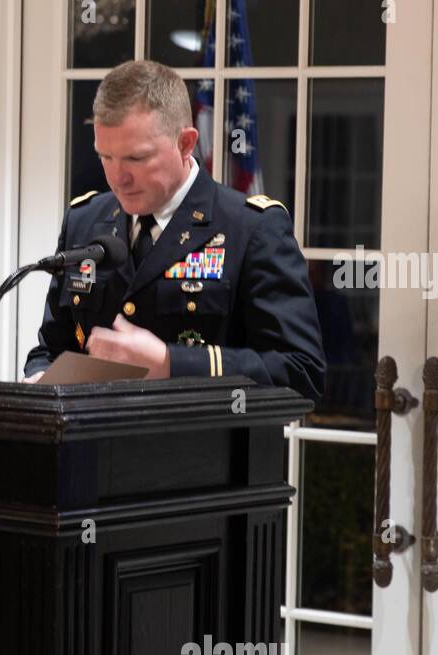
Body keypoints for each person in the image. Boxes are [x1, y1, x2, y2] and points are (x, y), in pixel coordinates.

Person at [23, 60, 325, 402]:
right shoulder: (85, 220)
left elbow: (302, 373)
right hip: (92, 451)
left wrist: (173, 363)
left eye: (136, 158)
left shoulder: (252, 228)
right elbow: (50, 348)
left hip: (200, 452)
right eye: (106, 157)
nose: (118, 177)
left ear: (185, 143)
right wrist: (40, 380)